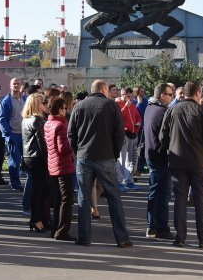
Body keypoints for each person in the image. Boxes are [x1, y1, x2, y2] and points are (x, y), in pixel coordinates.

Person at [67, 79, 132, 248]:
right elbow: (119, 133)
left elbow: (71, 133)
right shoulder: (111, 106)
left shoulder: (79, 106)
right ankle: (122, 238)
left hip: (84, 157)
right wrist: (115, 153)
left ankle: (84, 238)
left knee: (84, 197)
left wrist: (77, 151)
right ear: (104, 90)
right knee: (113, 198)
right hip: (106, 157)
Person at [159, 81, 203, 248]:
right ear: (198, 93)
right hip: (199, 162)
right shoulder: (201, 111)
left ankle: (180, 237)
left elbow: (163, 137)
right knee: (200, 201)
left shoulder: (172, 110)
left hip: (178, 161)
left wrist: (170, 149)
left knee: (180, 200)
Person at [143, 83, 174, 239]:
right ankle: (159, 227)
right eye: (170, 94)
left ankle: (153, 226)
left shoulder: (150, 108)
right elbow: (167, 138)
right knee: (161, 194)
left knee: (155, 191)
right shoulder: (162, 112)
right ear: (162, 95)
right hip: (160, 157)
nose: (172, 97)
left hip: (152, 154)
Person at [44, 97, 75, 240]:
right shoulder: (60, 125)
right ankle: (62, 230)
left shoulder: (48, 123)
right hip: (64, 166)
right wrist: (74, 146)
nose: (65, 110)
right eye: (63, 108)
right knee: (66, 199)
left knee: (58, 199)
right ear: (58, 109)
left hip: (53, 164)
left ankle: (55, 228)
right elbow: (63, 148)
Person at [21, 93, 49, 233]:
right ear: (37, 104)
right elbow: (42, 143)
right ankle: (36, 220)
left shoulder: (27, 119)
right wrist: (49, 158)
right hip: (37, 158)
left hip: (29, 157)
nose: (45, 104)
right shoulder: (36, 120)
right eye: (43, 102)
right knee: (39, 192)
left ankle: (40, 219)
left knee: (39, 190)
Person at [0, 77, 26, 191]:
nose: (16, 85)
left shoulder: (26, 99)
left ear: (21, 86)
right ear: (10, 86)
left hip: (25, 134)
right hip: (13, 134)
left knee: (28, 159)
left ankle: (29, 182)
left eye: (18, 84)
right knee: (14, 160)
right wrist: (7, 135)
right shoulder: (6, 101)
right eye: (14, 84)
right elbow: (1, 119)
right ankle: (15, 184)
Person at [116, 87, 142, 190]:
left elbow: (138, 116)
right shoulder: (117, 104)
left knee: (131, 160)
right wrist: (126, 107)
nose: (130, 98)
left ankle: (129, 181)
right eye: (128, 96)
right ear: (122, 95)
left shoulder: (133, 104)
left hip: (133, 134)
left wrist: (139, 122)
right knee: (122, 159)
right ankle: (119, 181)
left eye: (131, 96)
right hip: (124, 134)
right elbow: (118, 117)